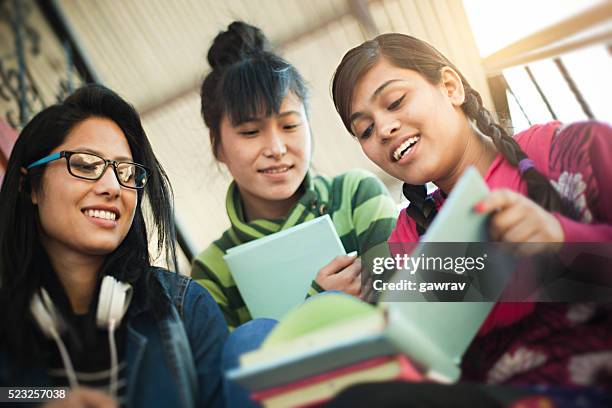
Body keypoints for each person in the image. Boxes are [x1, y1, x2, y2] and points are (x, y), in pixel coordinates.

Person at [331, 33, 612, 401]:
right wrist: (346, 309)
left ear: (450, 87)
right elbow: (434, 363)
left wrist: (560, 237)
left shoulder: (569, 152)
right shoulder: (408, 239)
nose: (384, 130)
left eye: (395, 101)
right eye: (365, 130)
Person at [0, 85, 227, 407]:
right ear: (31, 186)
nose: (112, 187)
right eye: (85, 165)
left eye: (126, 171)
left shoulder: (187, 309)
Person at [191, 21, 398, 331]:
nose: (276, 148)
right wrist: (320, 306)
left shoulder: (356, 196)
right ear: (217, 146)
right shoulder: (211, 271)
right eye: (250, 132)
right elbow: (239, 373)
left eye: (289, 126)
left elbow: (406, 300)